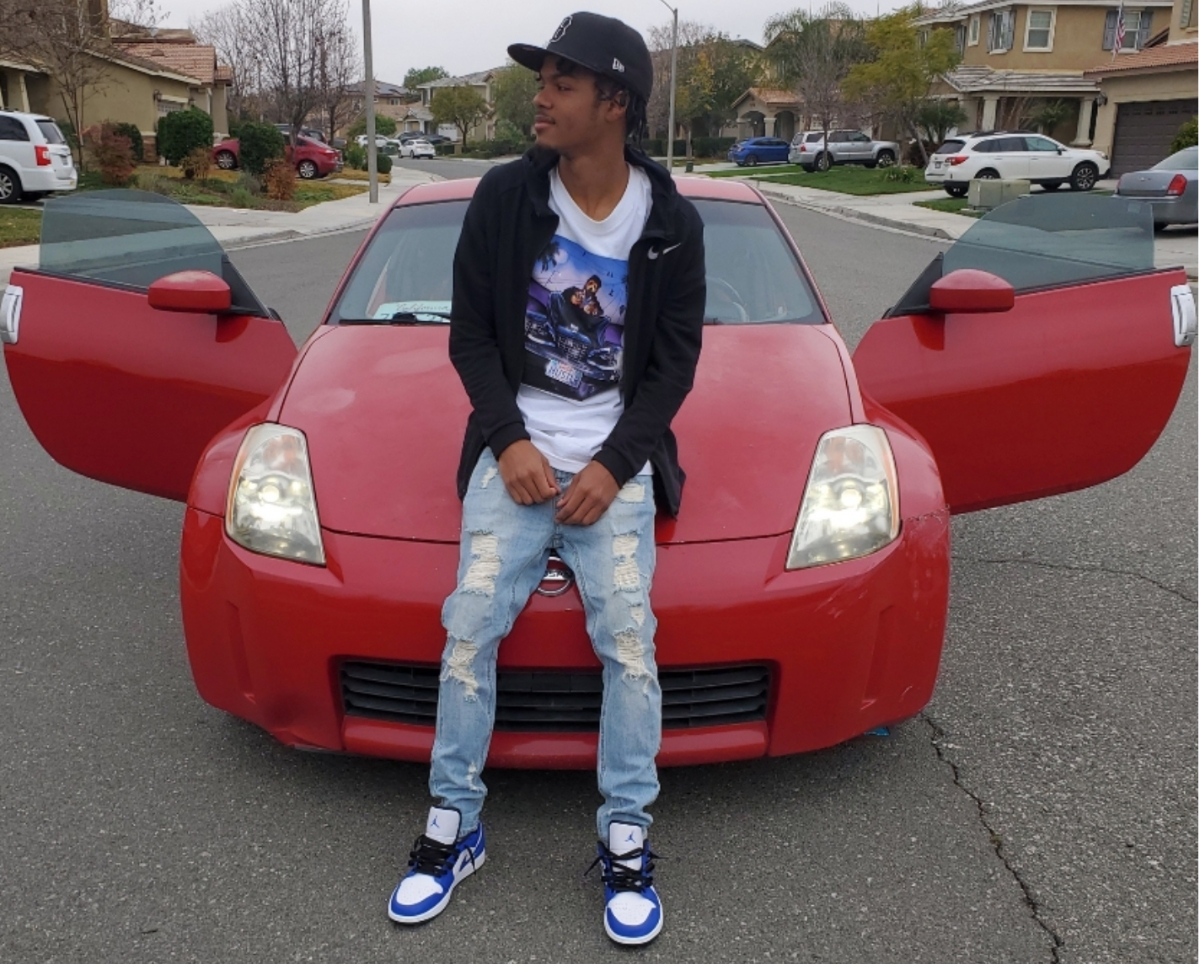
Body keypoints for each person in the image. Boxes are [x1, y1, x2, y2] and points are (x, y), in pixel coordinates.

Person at [387, 10, 706, 947]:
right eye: (542, 80)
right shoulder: (505, 198)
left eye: (563, 83)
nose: (542, 97)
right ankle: (454, 822)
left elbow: (673, 365)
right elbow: (471, 337)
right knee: (468, 626)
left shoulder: (671, 222)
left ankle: (625, 835)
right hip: (516, 452)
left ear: (617, 102)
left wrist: (615, 465)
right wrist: (509, 440)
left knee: (631, 644)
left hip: (614, 466)